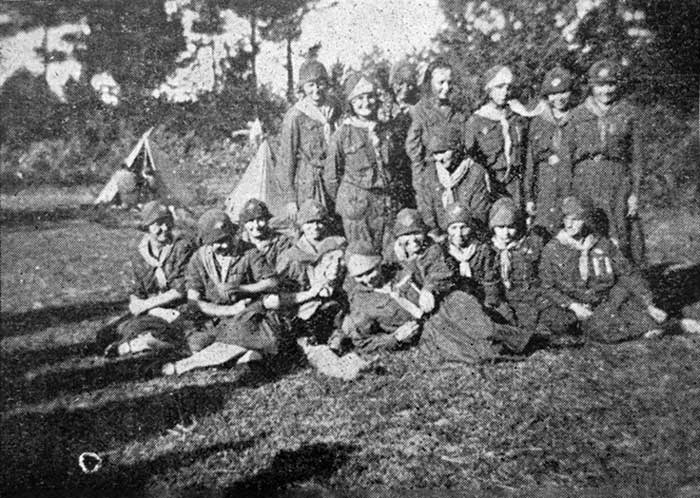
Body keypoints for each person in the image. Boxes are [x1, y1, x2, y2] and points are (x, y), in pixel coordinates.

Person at [342, 210, 532, 363]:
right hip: (427, 331)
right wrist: (395, 338)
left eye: (370, 271)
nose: (366, 279)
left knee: (486, 329)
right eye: (359, 276)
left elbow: (439, 269)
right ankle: (518, 349)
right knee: (478, 353)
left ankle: (532, 341)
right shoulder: (361, 301)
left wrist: (428, 288)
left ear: (378, 264)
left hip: (446, 306)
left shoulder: (399, 266)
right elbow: (362, 343)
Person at [161, 209, 283, 375]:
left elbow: (272, 282)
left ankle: (189, 364)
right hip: (214, 317)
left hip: (245, 316)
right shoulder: (198, 259)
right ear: (206, 242)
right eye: (218, 241)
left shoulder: (249, 252)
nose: (225, 245)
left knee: (246, 330)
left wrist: (241, 288)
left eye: (227, 239)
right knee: (196, 342)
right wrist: (228, 310)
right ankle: (244, 354)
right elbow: (194, 301)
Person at [539, 195, 676, 342]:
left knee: (637, 312)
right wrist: (573, 306)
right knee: (560, 321)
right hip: (570, 303)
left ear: (586, 220)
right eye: (566, 219)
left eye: (576, 220)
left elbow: (627, 274)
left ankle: (634, 323)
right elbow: (546, 287)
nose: (570, 225)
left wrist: (649, 304)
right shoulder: (553, 249)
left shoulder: (603, 244)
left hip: (601, 300)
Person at [566, 59, 646, 265]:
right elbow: (567, 158)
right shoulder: (577, 115)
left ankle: (625, 279)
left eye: (611, 84)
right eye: (600, 85)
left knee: (620, 232)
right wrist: (568, 193)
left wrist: (635, 193)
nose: (606, 90)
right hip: (585, 179)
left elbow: (637, 159)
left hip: (617, 180)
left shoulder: (627, 113)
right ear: (591, 86)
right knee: (589, 229)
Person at [102, 201, 195, 357]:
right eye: (158, 224)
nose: (165, 228)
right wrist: (138, 304)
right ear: (147, 227)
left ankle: (143, 343)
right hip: (152, 309)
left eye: (167, 222)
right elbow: (136, 291)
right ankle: (141, 341)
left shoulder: (181, 247)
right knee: (105, 334)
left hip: (178, 308)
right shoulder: (139, 254)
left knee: (136, 328)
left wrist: (146, 306)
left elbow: (180, 290)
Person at [325, 72, 397, 254]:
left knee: (388, 255)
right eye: (359, 98)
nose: (366, 103)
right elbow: (331, 177)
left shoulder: (385, 130)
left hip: (384, 204)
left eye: (369, 97)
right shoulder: (342, 134)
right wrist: (349, 201)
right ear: (351, 102)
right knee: (362, 256)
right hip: (357, 210)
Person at [406, 59, 466, 222]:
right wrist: (421, 189)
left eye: (449, 82)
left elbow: (466, 143)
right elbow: (415, 153)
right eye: (441, 82)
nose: (446, 88)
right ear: (429, 83)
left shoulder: (458, 111)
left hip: (456, 177)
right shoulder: (419, 111)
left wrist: (455, 153)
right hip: (431, 181)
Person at [278, 59, 339, 218]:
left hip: (335, 179)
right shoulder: (295, 116)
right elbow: (286, 160)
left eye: (320, 84)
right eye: (310, 85)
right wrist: (290, 199)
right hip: (310, 183)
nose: (316, 90)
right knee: (314, 223)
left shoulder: (335, 108)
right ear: (303, 87)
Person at [463, 65, 529, 207]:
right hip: (491, 187)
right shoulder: (476, 121)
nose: (504, 92)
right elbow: (470, 161)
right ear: (488, 89)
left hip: (516, 185)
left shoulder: (517, 117)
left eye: (507, 87)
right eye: (499, 87)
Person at [265, 236, 348, 345]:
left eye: (341, 259)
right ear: (320, 260)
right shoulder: (299, 272)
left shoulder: (341, 284)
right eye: (330, 258)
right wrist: (310, 294)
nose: (336, 264)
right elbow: (269, 301)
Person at [485, 198, 550, 334]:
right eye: (500, 227)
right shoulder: (488, 250)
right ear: (493, 228)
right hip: (502, 303)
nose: (506, 233)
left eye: (511, 227)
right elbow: (491, 291)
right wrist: (506, 312)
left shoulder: (529, 245)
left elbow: (542, 277)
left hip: (529, 300)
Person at [524, 67, 575, 236]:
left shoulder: (578, 118)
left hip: (570, 184)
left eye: (564, 92)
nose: (559, 98)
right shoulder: (538, 121)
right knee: (544, 230)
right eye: (553, 94)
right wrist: (529, 197)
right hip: (545, 186)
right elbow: (530, 162)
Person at [418, 126, 491, 237]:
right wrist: (435, 232)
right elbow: (427, 211)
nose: (439, 158)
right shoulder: (430, 175)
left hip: (468, 233)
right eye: (435, 154)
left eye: (443, 152)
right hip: (441, 236)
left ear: (457, 150)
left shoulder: (476, 172)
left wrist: (461, 233)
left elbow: (480, 213)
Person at [442, 203, 499, 305]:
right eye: (453, 228)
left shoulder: (483, 250)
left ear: (471, 228)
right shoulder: (443, 251)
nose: (459, 234)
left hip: (480, 299)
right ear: (447, 230)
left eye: (463, 227)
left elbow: (490, 281)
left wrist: (489, 303)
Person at [384, 59, 420, 209]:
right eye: (400, 84)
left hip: (412, 168)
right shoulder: (384, 108)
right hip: (391, 170)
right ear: (393, 84)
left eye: (409, 84)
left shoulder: (419, 108)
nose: (405, 89)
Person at [239, 198, 293, 269]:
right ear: (244, 224)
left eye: (260, 219)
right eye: (251, 220)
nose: (256, 225)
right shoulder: (239, 246)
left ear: (267, 220)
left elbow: (283, 269)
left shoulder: (281, 243)